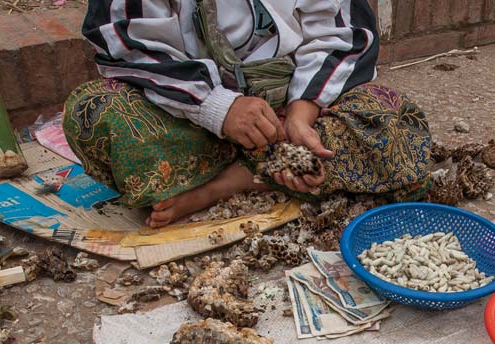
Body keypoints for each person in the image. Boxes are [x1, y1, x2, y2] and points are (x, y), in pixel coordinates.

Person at [65, 0, 433, 227]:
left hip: (294, 105)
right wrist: (216, 107)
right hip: (188, 110)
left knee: (392, 120)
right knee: (94, 112)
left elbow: (343, 33)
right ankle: (264, 167)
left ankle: (228, 182)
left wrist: (300, 117)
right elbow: (128, 46)